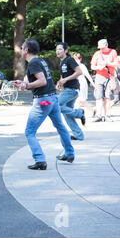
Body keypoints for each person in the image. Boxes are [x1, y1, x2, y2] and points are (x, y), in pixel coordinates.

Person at [12, 39, 75, 170]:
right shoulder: (40, 60)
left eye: (22, 47)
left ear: (26, 50)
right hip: (53, 98)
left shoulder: (33, 63)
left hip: (43, 101)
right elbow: (35, 78)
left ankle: (40, 160)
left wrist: (27, 85)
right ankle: (69, 153)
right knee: (61, 127)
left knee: (29, 132)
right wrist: (23, 83)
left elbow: (42, 81)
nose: (21, 50)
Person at [55, 42, 85, 141]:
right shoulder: (61, 62)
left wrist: (66, 79)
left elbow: (79, 72)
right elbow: (63, 76)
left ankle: (79, 113)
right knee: (67, 113)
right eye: (57, 49)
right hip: (68, 89)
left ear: (66, 50)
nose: (57, 51)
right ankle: (78, 135)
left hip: (72, 89)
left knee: (57, 105)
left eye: (60, 49)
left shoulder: (69, 60)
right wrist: (60, 82)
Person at [90, 39, 119, 122]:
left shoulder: (113, 52)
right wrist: (98, 67)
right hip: (99, 77)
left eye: (102, 47)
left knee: (108, 96)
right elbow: (92, 66)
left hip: (110, 77)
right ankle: (99, 115)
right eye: (100, 48)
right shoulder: (97, 54)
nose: (101, 49)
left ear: (107, 45)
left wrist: (107, 63)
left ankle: (106, 115)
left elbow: (117, 63)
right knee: (98, 97)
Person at [73, 53, 96, 117]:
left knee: (80, 99)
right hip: (75, 83)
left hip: (82, 83)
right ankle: (92, 110)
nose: (75, 60)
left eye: (77, 59)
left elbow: (87, 75)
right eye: (74, 59)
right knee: (79, 100)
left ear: (80, 59)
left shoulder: (82, 66)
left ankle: (77, 113)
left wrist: (93, 84)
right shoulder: (73, 66)